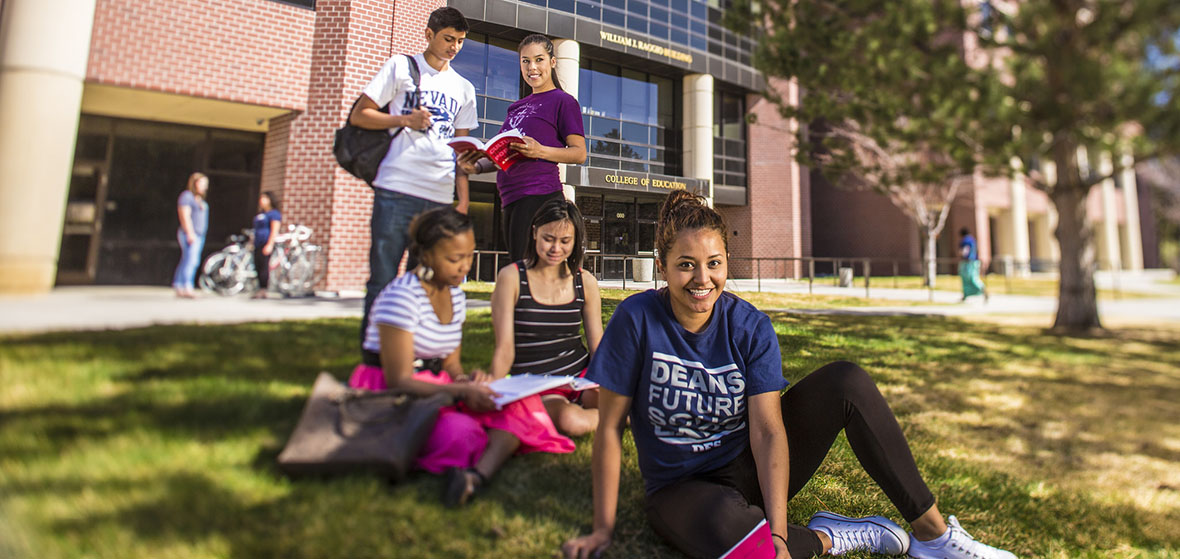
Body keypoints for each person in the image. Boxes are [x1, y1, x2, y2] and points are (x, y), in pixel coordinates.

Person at [562, 191, 1017, 559]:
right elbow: (608, 429)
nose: (702, 279)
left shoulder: (749, 325)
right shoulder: (636, 319)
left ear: (727, 262)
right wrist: (603, 529)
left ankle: (934, 537)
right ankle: (829, 538)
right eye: (686, 264)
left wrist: (779, 534)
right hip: (683, 488)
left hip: (747, 467)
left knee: (847, 381)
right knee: (750, 550)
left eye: (714, 263)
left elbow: (766, 430)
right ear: (662, 266)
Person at [348, 207, 575, 507]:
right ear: (426, 255)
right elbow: (399, 379)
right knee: (465, 434)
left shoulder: (455, 295)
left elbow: (451, 364)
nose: (463, 267)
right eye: (454, 259)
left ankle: (474, 477)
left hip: (437, 386)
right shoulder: (400, 297)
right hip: (393, 393)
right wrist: (460, 390)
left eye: (469, 256)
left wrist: (469, 380)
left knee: (521, 406)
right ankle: (476, 468)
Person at [349, 6, 479, 359]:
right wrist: (405, 119)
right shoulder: (400, 67)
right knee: (384, 278)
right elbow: (360, 114)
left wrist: (462, 200)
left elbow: (462, 150)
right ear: (429, 34)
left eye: (461, 41)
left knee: (426, 281)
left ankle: (418, 358)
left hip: (438, 196)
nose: (454, 47)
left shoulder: (464, 89)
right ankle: (375, 362)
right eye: (448, 39)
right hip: (397, 187)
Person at [457, 34, 586, 263]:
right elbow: (501, 155)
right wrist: (476, 166)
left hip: (540, 195)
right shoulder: (516, 108)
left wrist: (540, 151)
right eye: (525, 61)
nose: (532, 67)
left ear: (552, 62)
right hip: (510, 197)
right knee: (519, 268)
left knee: (534, 271)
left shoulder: (563, 101)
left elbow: (579, 153)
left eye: (539, 59)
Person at [488, 199, 603, 436]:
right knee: (569, 420)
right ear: (534, 233)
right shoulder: (511, 278)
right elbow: (505, 350)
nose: (555, 248)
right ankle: (619, 418)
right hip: (538, 383)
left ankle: (620, 411)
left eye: (565, 241)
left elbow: (597, 347)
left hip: (581, 376)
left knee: (614, 397)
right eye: (548, 238)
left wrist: (607, 382)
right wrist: (491, 390)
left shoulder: (585, 282)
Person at [172, 172, 209, 299]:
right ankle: (187, 287)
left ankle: (179, 285)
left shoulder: (200, 200)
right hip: (191, 234)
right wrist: (190, 232)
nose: (205, 186)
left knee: (187, 259)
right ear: (195, 183)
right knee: (192, 261)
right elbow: (184, 215)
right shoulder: (187, 196)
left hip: (199, 234)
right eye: (202, 183)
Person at [251, 192, 282, 299]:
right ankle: (259, 288)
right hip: (257, 243)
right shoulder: (261, 214)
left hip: (266, 242)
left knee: (264, 266)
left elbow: (275, 230)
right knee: (257, 265)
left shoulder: (274, 214)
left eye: (264, 198)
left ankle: (263, 289)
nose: (261, 200)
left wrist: (270, 244)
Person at [958, 227, 989, 302]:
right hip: (974, 261)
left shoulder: (965, 241)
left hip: (968, 262)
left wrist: (962, 254)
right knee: (972, 277)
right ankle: (966, 295)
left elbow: (965, 251)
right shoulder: (972, 240)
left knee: (970, 278)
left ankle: (982, 289)